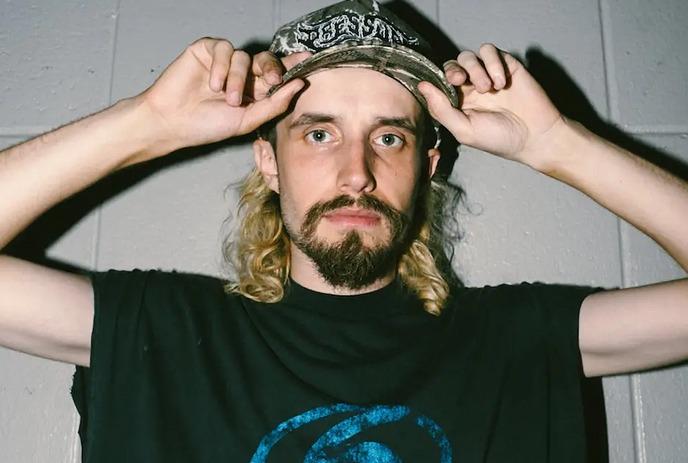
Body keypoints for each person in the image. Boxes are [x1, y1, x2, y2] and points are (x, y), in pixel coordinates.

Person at [0, 0, 686, 461]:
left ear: (428, 165)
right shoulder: (162, 334)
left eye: (389, 136)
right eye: (319, 133)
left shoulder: (513, 341)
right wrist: (148, 125)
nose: (357, 172)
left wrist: (558, 144)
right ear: (268, 159)